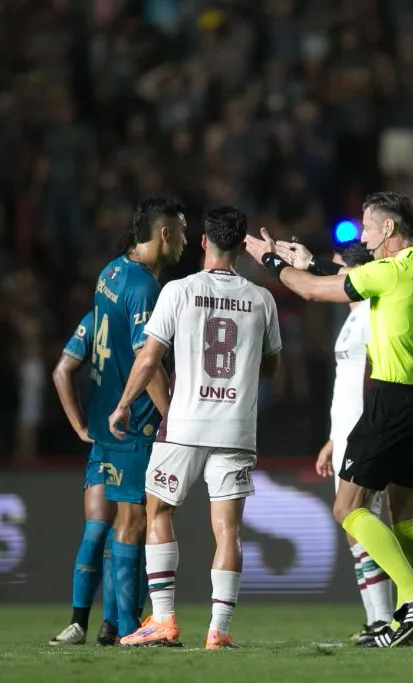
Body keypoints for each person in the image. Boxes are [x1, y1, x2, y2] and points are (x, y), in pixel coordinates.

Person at [245, 191, 413, 647]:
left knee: (347, 507)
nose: (365, 235)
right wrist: (313, 260)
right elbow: (359, 280)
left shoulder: (390, 272)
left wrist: (273, 263)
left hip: (391, 399)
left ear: (389, 230)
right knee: (404, 510)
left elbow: (315, 292)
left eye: (368, 227)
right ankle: (406, 618)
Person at [110, 206, 282, 649]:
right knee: (228, 530)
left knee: (160, 511)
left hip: (185, 424)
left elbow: (148, 358)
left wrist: (124, 404)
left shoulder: (178, 291)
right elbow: (272, 367)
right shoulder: (262, 299)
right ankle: (219, 632)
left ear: (204, 241)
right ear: (244, 246)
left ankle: (164, 621)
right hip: (236, 429)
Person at [90, 197, 184, 639]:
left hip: (108, 413)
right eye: (181, 232)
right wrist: (173, 418)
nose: (185, 241)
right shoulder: (146, 287)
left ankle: (112, 622)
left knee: (125, 520)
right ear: (164, 234)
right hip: (135, 423)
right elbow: (147, 362)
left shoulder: (111, 271)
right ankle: (130, 624)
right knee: (134, 520)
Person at [310, 243, 396, 644]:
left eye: (339, 270)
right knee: (355, 525)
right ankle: (379, 619)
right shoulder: (350, 319)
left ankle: (388, 620)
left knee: (362, 519)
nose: (333, 279)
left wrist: (366, 431)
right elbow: (346, 384)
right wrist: (333, 438)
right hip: (345, 433)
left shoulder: (373, 315)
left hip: (366, 433)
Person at [48, 310, 118, 646]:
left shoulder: (96, 317)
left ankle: (80, 624)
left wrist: (80, 425)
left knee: (99, 532)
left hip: (107, 438)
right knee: (131, 532)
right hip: (141, 435)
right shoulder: (153, 310)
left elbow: (62, 370)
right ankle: (116, 623)